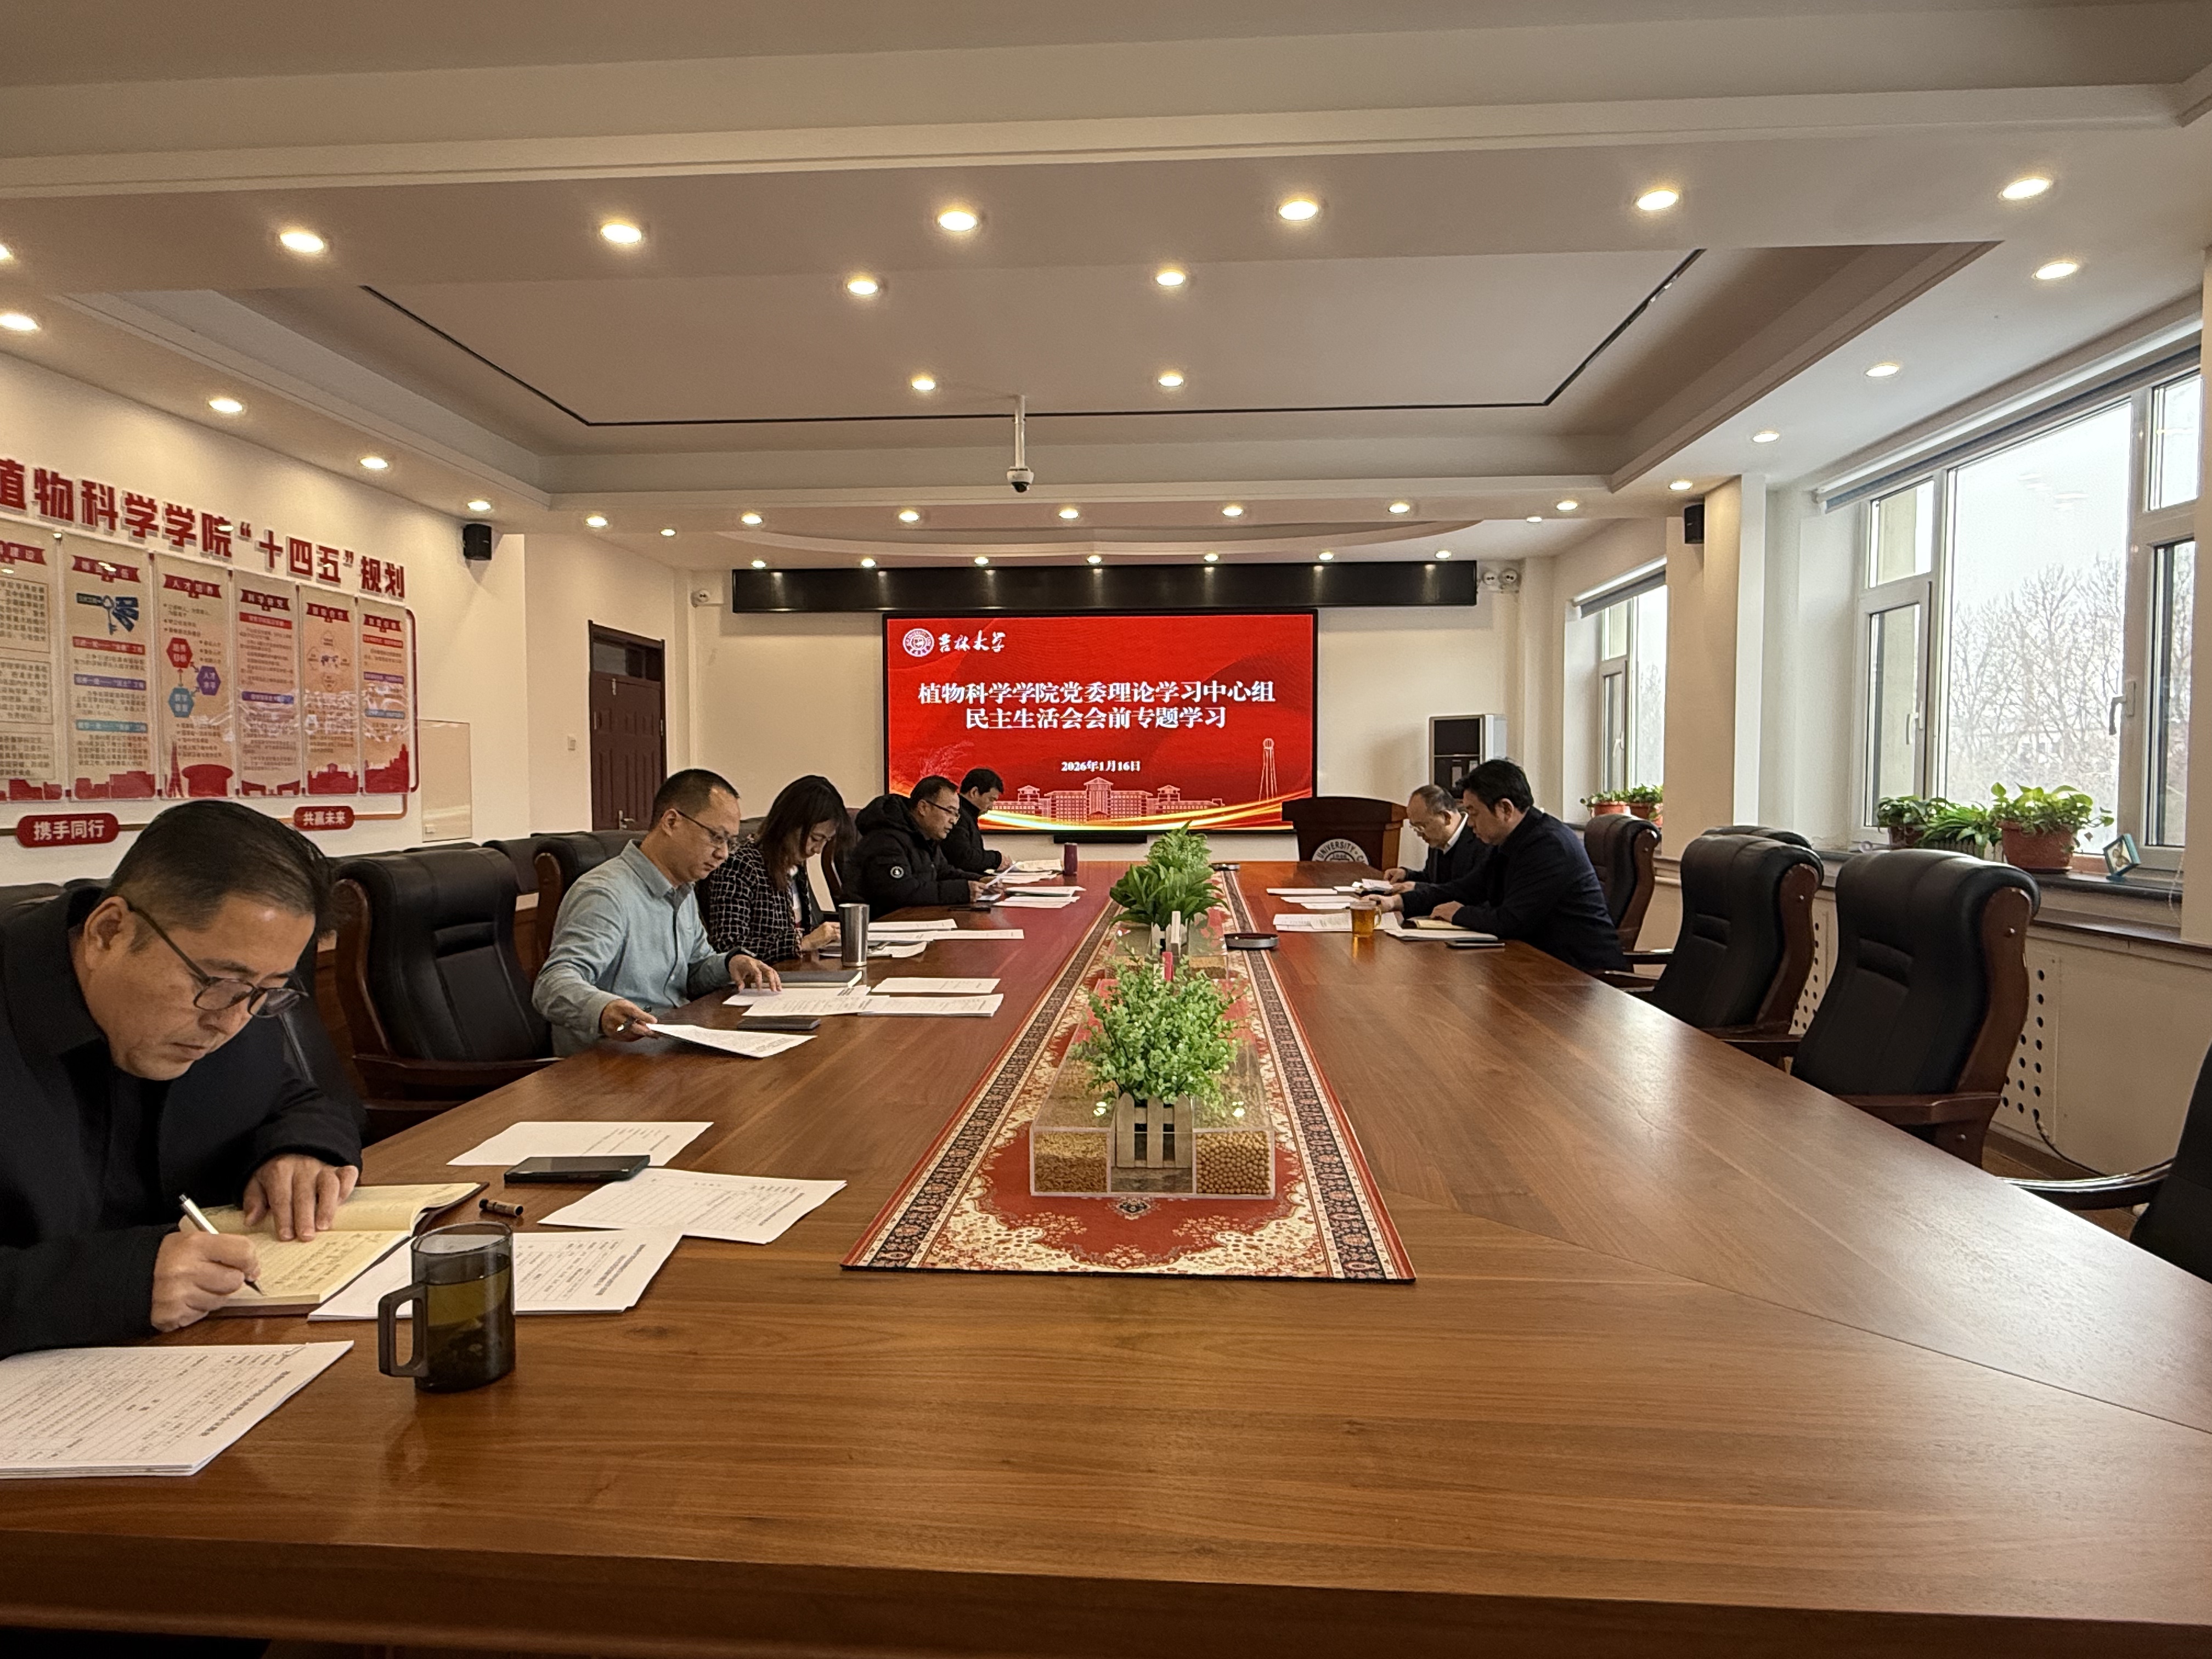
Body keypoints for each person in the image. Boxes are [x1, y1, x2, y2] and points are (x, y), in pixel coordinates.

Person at [0, 800, 363, 1359]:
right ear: (108, 932)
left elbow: (294, 1097)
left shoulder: (234, 1006)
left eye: (267, 992)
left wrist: (299, 1151)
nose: (231, 1022)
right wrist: (112, 1285)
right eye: (219, 984)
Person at [533, 768, 780, 1054]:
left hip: (671, 1042)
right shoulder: (606, 894)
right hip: (612, 1060)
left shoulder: (683, 889)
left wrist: (730, 963)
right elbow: (552, 984)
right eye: (716, 837)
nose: (723, 853)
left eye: (730, 842)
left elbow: (693, 970)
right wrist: (603, 1010)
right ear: (672, 822)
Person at [1411, 759, 1627, 973]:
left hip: (1585, 975)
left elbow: (1511, 921)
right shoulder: (1509, 840)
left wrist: (1459, 913)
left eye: (1474, 813)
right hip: (1539, 963)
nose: (1469, 823)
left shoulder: (1549, 845)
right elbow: (1468, 887)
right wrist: (1401, 902)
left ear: (1505, 809)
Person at [702, 774, 853, 964]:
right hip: (760, 978)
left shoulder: (795, 865)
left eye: (826, 840)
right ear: (789, 824)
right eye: (815, 838)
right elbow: (728, 947)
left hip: (796, 972)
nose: (818, 850)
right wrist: (801, 943)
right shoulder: (739, 866)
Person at [850, 775, 992, 917]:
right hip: (881, 922)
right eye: (949, 811)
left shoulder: (925, 837)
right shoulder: (886, 839)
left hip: (913, 918)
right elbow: (900, 892)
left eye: (956, 815)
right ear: (923, 808)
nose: (954, 821)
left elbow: (944, 872)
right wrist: (962, 891)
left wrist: (980, 880)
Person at [1385, 781, 1488, 918]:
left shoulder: (1481, 840)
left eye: (1422, 826)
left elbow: (1465, 891)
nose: (1419, 834)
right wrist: (1407, 874)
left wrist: (1414, 890)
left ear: (1446, 818)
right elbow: (1433, 879)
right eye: (1415, 827)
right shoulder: (1438, 839)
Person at [944, 766, 1006, 875]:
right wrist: (996, 859)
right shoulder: (958, 815)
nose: (991, 807)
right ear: (975, 792)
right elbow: (964, 859)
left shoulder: (967, 815)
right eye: (991, 799)